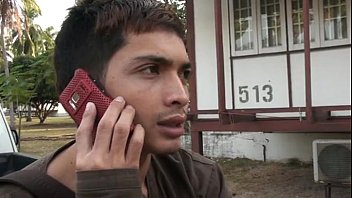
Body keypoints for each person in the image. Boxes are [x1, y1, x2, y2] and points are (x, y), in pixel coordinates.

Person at [0, 0, 232, 197]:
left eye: (184, 74)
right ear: (86, 91)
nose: (181, 96)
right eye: (151, 69)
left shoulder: (199, 179)